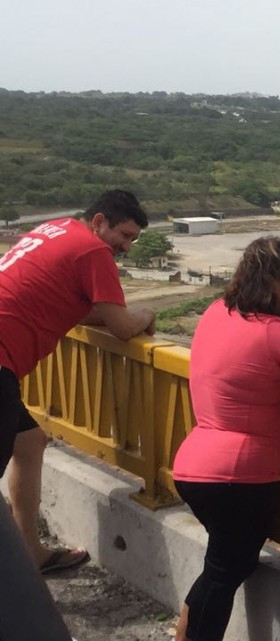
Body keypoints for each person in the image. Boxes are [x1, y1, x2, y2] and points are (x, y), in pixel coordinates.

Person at [171, 236, 280, 641]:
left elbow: (257, 351)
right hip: (238, 479)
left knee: (222, 566)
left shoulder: (217, 312)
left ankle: (183, 634)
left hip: (196, 466)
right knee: (224, 572)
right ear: (270, 282)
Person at [1, 189, 155, 576]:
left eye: (133, 239)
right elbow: (121, 326)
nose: (126, 246)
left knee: (30, 441)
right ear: (99, 221)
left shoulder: (54, 230)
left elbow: (76, 309)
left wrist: (115, 315)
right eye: (123, 235)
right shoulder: (92, 250)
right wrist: (146, 313)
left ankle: (30, 555)